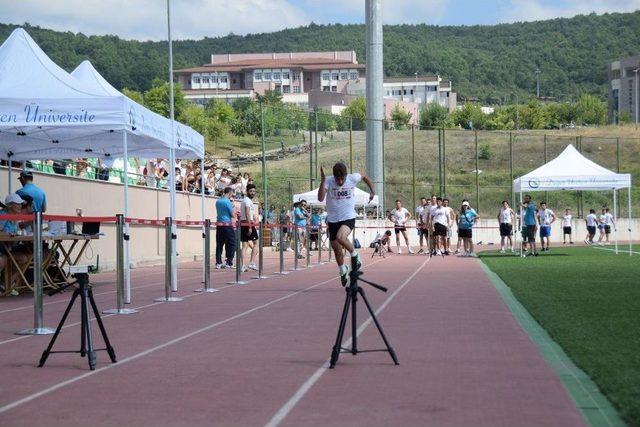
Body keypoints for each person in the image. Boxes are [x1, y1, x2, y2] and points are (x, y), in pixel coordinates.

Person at [318, 162, 375, 286]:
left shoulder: (352, 178)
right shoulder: (328, 181)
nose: (339, 182)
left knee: (341, 237)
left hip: (348, 217)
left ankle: (355, 254)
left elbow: (365, 177)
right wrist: (322, 181)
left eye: (342, 179)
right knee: (337, 251)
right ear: (333, 177)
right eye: (337, 179)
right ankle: (342, 269)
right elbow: (321, 198)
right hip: (333, 220)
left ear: (345, 175)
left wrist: (372, 191)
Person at [0, 194, 30, 296]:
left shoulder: (15, 218)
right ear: (10, 205)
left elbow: (16, 232)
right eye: (18, 204)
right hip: (2, 248)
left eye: (20, 204)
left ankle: (6, 284)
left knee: (24, 259)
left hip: (8, 247)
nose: (20, 206)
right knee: (1, 260)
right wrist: (9, 234)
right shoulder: (3, 215)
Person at [215, 187, 237, 269]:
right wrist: (233, 206)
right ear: (230, 193)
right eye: (232, 193)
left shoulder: (218, 201)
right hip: (227, 225)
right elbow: (233, 215)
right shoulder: (227, 202)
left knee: (219, 244)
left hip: (219, 224)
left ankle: (218, 262)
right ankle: (229, 262)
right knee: (232, 243)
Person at [239, 184, 259, 272]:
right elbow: (247, 214)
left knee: (245, 245)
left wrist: (255, 218)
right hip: (247, 223)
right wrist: (250, 226)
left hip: (245, 223)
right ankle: (251, 263)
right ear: (247, 191)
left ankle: (243, 265)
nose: (252, 193)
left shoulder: (248, 201)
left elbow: (251, 213)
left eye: (254, 191)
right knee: (256, 243)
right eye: (251, 191)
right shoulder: (247, 201)